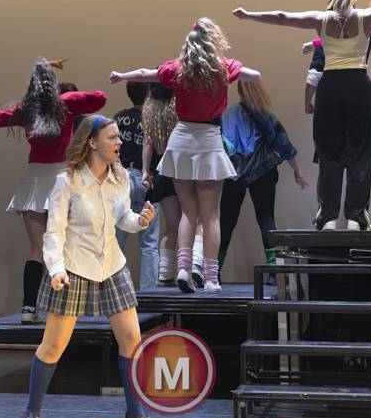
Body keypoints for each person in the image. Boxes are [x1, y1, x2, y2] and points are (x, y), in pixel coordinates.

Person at [0, 58, 106, 322]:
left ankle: (28, 308)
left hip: (34, 183)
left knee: (37, 249)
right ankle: (66, 308)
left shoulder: (25, 111)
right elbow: (99, 97)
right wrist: (65, 96)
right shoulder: (65, 105)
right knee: (68, 246)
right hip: (62, 181)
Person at [233, 0, 371, 232]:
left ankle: (328, 217)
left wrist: (250, 15)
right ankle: (356, 217)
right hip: (358, 87)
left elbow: (282, 17)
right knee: (361, 153)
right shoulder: (366, 17)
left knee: (329, 153)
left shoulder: (321, 19)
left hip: (330, 88)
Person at [23, 114, 157, 418]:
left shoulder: (121, 177)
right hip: (73, 267)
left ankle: (135, 412)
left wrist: (140, 221)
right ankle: (31, 412)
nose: (119, 142)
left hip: (111, 265)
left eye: (118, 137)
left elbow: (123, 217)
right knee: (54, 346)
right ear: (93, 142)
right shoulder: (68, 181)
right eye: (112, 137)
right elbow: (54, 232)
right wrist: (56, 269)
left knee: (132, 339)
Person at [111, 18, 260, 293]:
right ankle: (211, 278)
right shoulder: (222, 68)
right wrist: (233, 69)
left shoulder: (177, 69)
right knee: (210, 216)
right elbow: (254, 75)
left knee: (187, 214)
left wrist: (122, 76)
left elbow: (145, 73)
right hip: (208, 139)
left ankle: (182, 269)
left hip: (181, 141)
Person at [219, 80, 307, 283]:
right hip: (263, 171)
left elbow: (222, 144)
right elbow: (284, 143)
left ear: (239, 91)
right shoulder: (265, 114)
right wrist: (298, 171)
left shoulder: (229, 114)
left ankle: (214, 272)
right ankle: (275, 272)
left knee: (226, 221)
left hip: (234, 173)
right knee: (266, 217)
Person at [141, 83, 195, 287]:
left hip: (161, 172)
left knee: (172, 225)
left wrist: (145, 171)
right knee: (190, 219)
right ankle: (186, 269)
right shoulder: (178, 110)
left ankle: (164, 273)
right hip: (181, 168)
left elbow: (147, 144)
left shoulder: (151, 113)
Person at [113, 82, 160, 290]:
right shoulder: (153, 119)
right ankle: (149, 292)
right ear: (148, 94)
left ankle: (116, 290)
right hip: (145, 178)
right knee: (149, 243)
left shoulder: (118, 118)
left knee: (116, 241)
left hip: (121, 177)